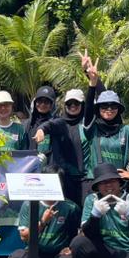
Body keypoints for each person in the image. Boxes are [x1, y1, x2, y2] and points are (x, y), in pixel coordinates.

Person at [32, 53, 101, 204]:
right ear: (65, 106)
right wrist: (41, 130)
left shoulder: (87, 124)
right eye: (69, 104)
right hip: (63, 179)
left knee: (85, 213)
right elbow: (50, 124)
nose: (73, 106)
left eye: (76, 103)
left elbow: (93, 104)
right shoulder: (61, 122)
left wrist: (92, 83)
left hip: (85, 179)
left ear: (82, 105)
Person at [81, 90, 129, 184]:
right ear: (98, 108)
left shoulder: (126, 130)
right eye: (104, 106)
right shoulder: (92, 129)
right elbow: (88, 109)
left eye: (113, 106)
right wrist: (92, 86)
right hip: (97, 182)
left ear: (118, 109)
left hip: (119, 182)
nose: (109, 109)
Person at [23, 85, 56, 159]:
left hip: (50, 165)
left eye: (46, 102)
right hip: (31, 164)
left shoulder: (57, 124)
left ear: (52, 105)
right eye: (40, 101)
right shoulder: (27, 125)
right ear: (35, 103)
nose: (42, 104)